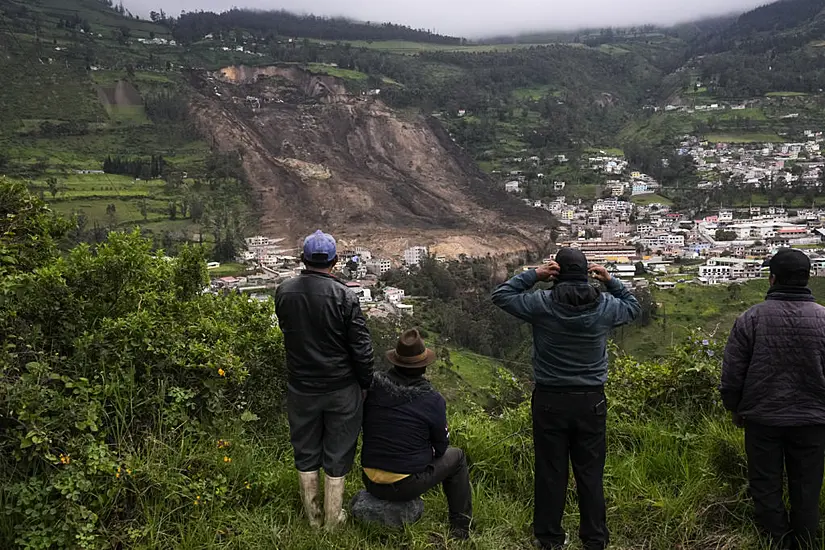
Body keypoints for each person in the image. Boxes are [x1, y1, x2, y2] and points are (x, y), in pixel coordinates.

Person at [491, 248, 641, 550]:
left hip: (549, 400)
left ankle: (549, 539)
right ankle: (595, 540)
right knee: (590, 473)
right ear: (587, 272)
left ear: (556, 270)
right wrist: (611, 281)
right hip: (591, 401)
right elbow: (633, 307)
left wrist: (535, 274)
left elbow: (501, 295)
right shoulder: (606, 307)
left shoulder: (541, 304)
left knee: (550, 472)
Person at [721, 248, 825, 549]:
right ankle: (806, 542)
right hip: (813, 420)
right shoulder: (822, 320)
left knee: (765, 484)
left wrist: (735, 408)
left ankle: (776, 541)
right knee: (806, 485)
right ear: (807, 279)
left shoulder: (750, 319)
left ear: (772, 279)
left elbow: (732, 374)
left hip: (762, 418)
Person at [274, 230, 375, 531]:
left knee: (305, 449)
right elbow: (361, 348)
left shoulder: (284, 291)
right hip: (341, 388)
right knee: (339, 450)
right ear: (334, 261)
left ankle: (313, 519)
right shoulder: (345, 295)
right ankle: (333, 521)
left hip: (301, 387)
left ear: (303, 259)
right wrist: (366, 382)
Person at [360, 329, 473, 540]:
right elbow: (441, 448)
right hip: (403, 486)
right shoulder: (432, 400)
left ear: (395, 361)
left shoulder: (373, 386)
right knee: (456, 457)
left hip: (369, 479)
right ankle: (460, 527)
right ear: (424, 366)